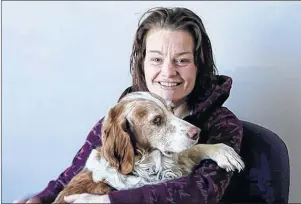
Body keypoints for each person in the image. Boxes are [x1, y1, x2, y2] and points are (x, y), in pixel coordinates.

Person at [14, 6, 243, 204]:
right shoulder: (120, 117)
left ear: (198, 64)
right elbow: (76, 171)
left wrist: (109, 201)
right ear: (142, 64)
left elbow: (202, 193)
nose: (168, 71)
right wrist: (42, 198)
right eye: (156, 59)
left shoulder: (222, 125)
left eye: (181, 60)